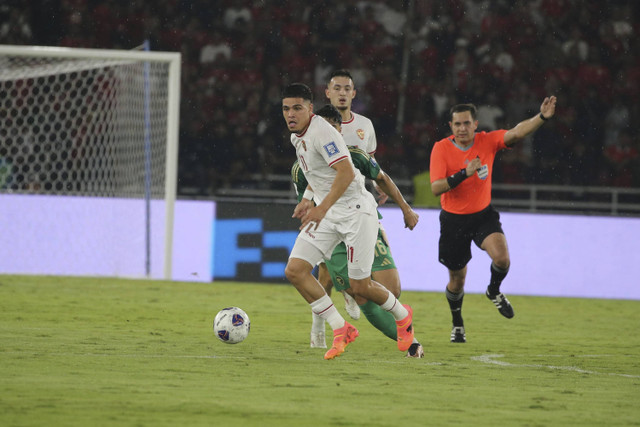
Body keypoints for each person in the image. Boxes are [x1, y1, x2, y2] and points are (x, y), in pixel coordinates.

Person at [282, 83, 415, 360]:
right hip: (330, 214)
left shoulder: (323, 133)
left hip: (356, 212)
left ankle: (403, 317)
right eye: (286, 108)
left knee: (360, 287)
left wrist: (322, 208)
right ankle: (341, 328)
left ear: (309, 108)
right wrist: (308, 200)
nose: (290, 114)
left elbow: (344, 173)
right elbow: (316, 173)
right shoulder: (298, 136)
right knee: (295, 270)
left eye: (297, 108)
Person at [429, 96, 557, 343]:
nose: (462, 129)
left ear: (476, 124)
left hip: (482, 216)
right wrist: (464, 174)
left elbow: (517, 133)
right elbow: (436, 188)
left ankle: (494, 290)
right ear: (451, 126)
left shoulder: (487, 141)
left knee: (502, 258)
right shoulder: (441, 148)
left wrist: (541, 117)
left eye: (467, 123)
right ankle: (457, 323)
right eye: (457, 124)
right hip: (453, 221)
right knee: (457, 281)